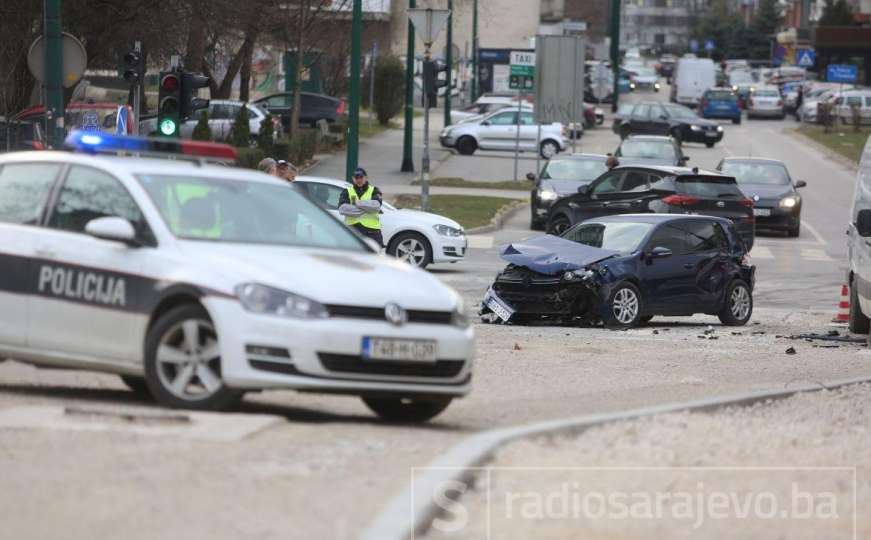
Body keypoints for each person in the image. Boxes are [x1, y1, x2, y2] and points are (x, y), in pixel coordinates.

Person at [338, 167, 383, 248]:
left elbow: (376, 206)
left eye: (361, 177)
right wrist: (366, 208)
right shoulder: (347, 191)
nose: (359, 180)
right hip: (352, 231)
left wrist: (357, 203)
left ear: (366, 177)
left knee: (373, 258)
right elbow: (342, 209)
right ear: (353, 179)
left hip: (372, 233)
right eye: (356, 178)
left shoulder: (374, 190)